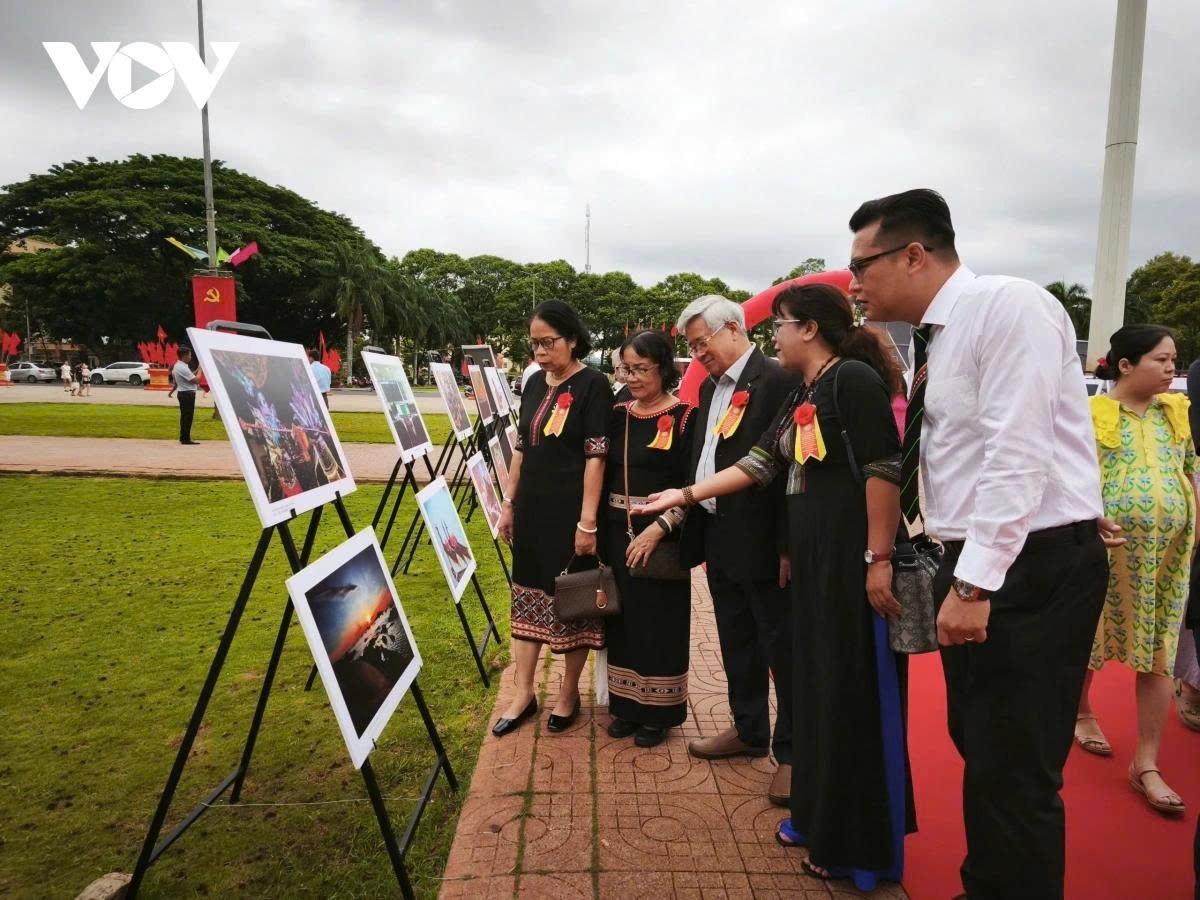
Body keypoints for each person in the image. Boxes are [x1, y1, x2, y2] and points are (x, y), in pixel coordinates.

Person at [847, 188, 1120, 900]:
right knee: (984, 748)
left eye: (863, 265)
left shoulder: (1007, 307)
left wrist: (976, 584)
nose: (855, 283)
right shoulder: (940, 334)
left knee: (1016, 770)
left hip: (1023, 568)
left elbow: (1018, 452)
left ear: (913, 254)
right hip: (984, 559)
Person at [639, 283, 913, 885]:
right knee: (819, 688)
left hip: (848, 559)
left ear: (810, 327)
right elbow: (760, 463)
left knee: (846, 694)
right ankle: (819, 817)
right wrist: (685, 495)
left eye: (781, 324)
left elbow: (883, 470)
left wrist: (879, 557)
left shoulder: (853, 383)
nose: (775, 334)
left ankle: (855, 845)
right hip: (817, 559)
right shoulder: (810, 389)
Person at [674, 294, 800, 807]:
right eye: (692, 346)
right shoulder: (708, 388)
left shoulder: (777, 380)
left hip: (765, 539)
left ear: (733, 329)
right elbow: (707, 455)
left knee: (781, 648)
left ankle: (793, 754)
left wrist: (789, 544)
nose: (698, 353)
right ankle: (749, 727)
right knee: (736, 640)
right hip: (719, 534)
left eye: (702, 342)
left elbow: (791, 468)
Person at [1074, 326, 1196, 816]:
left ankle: (1146, 762)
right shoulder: (1092, 415)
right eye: (1161, 360)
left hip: (1170, 555)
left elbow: (1190, 469)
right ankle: (1081, 711)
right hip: (1109, 551)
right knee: (1091, 634)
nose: (1171, 369)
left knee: (1160, 652)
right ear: (1125, 365)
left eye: (1174, 360)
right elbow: (1074, 480)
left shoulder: (1176, 415)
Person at [494, 300, 612, 736]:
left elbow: (595, 458)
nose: (541, 353)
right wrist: (510, 503)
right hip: (532, 512)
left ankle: (567, 693)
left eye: (549, 343)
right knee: (526, 597)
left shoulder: (594, 384)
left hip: (570, 513)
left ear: (573, 339)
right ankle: (523, 692)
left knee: (571, 599)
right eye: (535, 344)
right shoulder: (531, 383)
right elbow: (522, 449)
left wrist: (587, 523)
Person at [603, 330, 696, 748]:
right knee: (623, 618)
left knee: (660, 622)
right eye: (626, 369)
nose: (633, 377)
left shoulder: (685, 418)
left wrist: (662, 527)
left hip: (663, 533)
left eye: (641, 369)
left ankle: (658, 713)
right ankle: (625, 705)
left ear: (663, 367)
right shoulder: (618, 413)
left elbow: (697, 484)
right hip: (615, 529)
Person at [173, 347, 201, 445]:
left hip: (185, 393)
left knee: (186, 416)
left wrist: (197, 369)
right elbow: (196, 380)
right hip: (187, 394)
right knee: (187, 417)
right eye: (189, 355)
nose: (190, 357)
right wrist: (201, 370)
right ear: (184, 356)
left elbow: (190, 376)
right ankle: (185, 439)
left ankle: (184, 437)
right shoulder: (182, 367)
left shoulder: (181, 366)